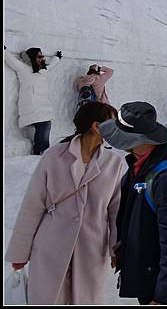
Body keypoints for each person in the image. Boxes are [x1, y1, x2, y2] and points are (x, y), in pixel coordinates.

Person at [5, 102, 124, 304]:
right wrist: (20, 252)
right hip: (50, 246)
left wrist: (117, 249)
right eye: (113, 123)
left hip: (92, 250)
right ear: (96, 126)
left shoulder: (114, 163)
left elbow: (116, 212)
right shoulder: (54, 156)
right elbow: (33, 206)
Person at [98, 101, 167, 305]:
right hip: (145, 269)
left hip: (157, 280)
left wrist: (163, 297)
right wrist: (122, 250)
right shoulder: (141, 164)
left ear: (142, 139)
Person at [4, 46, 63, 154]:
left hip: (43, 106)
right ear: (31, 57)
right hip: (32, 106)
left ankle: (40, 152)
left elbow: (52, 65)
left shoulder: (42, 70)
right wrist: (4, 50)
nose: (42, 59)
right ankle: (42, 153)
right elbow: (11, 61)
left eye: (42, 56)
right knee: (45, 125)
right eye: (39, 56)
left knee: (44, 126)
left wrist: (57, 58)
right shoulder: (24, 69)